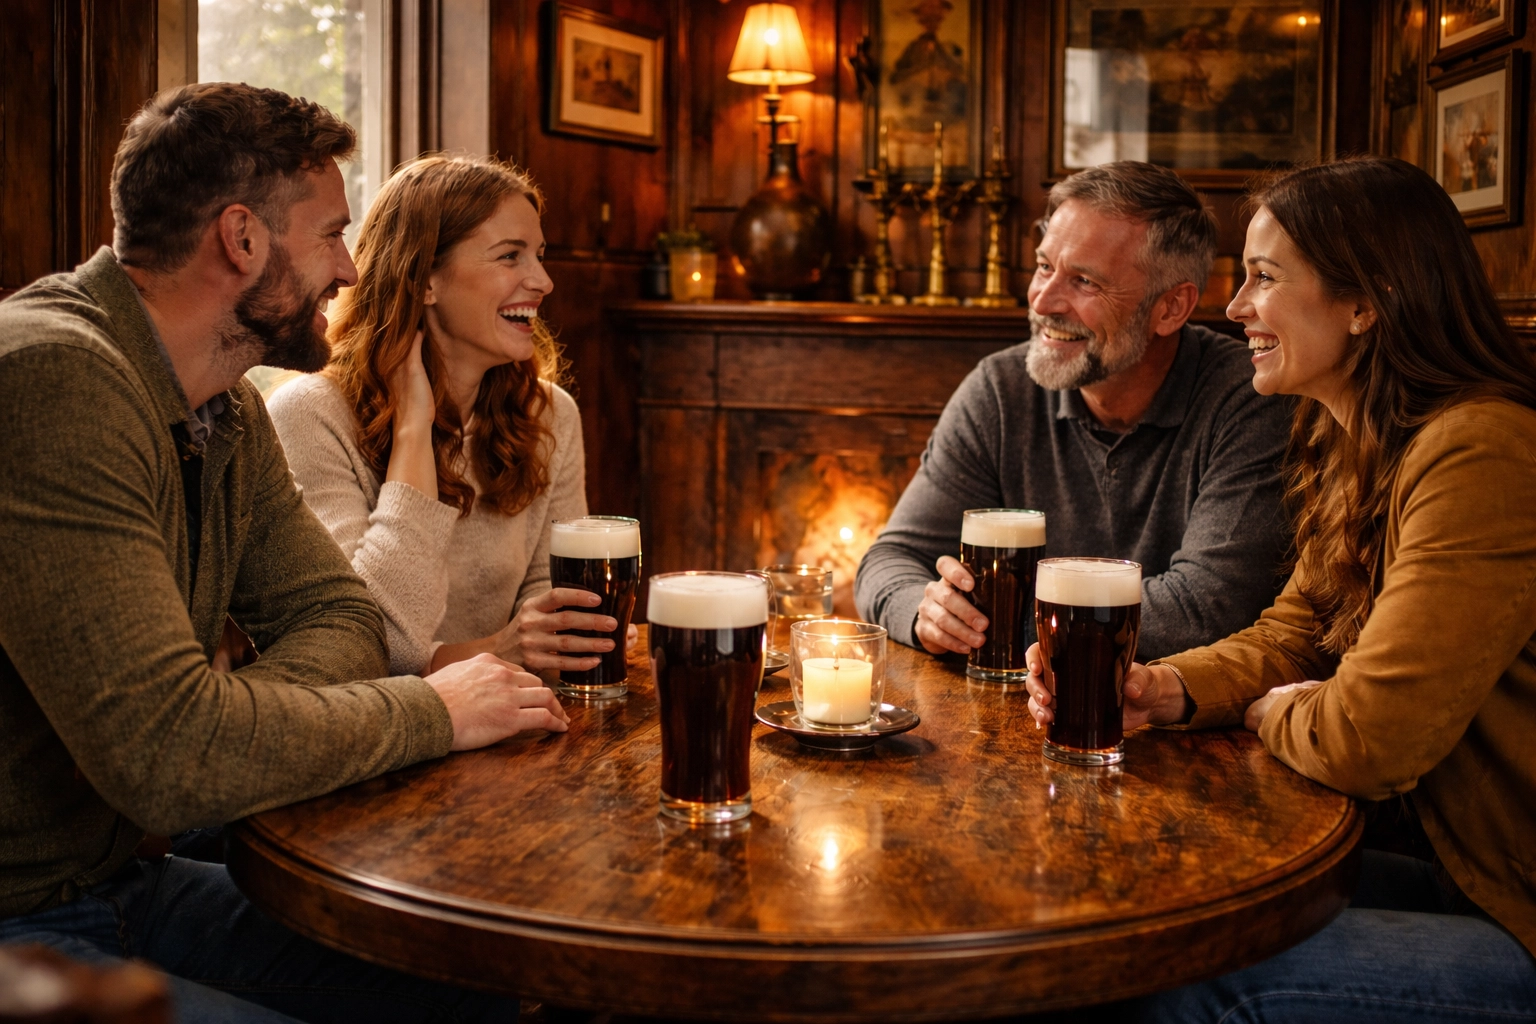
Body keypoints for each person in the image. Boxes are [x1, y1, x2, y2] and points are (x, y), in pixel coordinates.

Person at [0, 82, 570, 1022]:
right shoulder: (52, 376)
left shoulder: (225, 402)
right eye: (334, 233)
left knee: (481, 993)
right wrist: (430, 709)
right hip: (22, 924)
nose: (352, 268)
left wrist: (222, 716)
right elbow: (169, 761)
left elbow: (341, 616)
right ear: (242, 238)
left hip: (117, 890)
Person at [1026, 157, 1536, 1021]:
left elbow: (1371, 741)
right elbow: (1294, 633)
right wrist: (1164, 689)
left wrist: (1270, 713)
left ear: (1365, 302)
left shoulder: (1479, 451)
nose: (1235, 309)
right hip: (1456, 861)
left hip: (1513, 903)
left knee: (1190, 978)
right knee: (1133, 902)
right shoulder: (1359, 440)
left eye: (1263, 279)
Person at [855, 161, 1293, 662]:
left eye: (1084, 281)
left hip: (1167, 727)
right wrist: (926, 613)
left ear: (1171, 308)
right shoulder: (1000, 389)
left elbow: (1207, 608)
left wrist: (997, 625)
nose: (1043, 300)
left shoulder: (1249, 399)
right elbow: (889, 560)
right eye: (1044, 267)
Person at [268, 155, 632, 678]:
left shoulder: (551, 415)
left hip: (511, 724)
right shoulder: (311, 415)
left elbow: (546, 601)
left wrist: (554, 638)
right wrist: (415, 432)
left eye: (539, 255)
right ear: (424, 280)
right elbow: (369, 652)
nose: (544, 281)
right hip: (381, 745)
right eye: (510, 257)